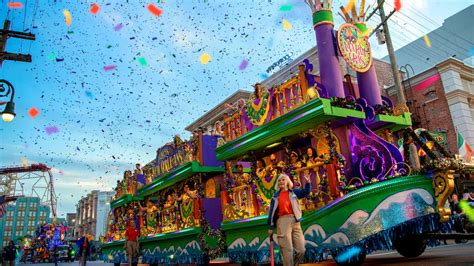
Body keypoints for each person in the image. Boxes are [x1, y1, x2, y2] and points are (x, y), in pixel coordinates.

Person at [268, 173, 311, 266]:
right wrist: (271, 227)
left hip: (295, 220)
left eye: (283, 179)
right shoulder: (275, 196)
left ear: (288, 182)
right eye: (279, 180)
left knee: (301, 249)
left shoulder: (293, 192)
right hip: (282, 221)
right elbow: (271, 212)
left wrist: (308, 182)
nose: (281, 182)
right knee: (288, 250)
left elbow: (305, 192)